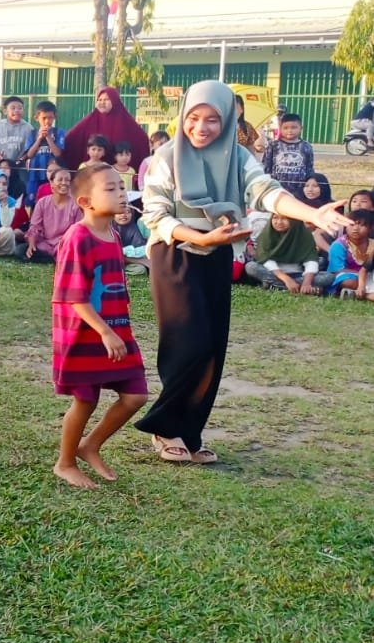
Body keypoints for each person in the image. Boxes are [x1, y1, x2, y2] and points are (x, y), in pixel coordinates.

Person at [135, 80, 350, 464]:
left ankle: (190, 432)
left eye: (213, 119)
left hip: (218, 255)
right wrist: (201, 237)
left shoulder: (237, 157)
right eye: (194, 117)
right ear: (183, 116)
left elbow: (267, 192)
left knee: (213, 349)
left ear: (228, 120)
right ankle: (165, 428)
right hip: (174, 255)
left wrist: (311, 213)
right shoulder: (165, 157)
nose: (201, 127)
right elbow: (155, 215)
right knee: (189, 344)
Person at [51, 162, 148, 489]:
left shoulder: (114, 235)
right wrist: (104, 331)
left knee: (135, 396)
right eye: (110, 189)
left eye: (121, 187)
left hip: (116, 330)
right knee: (86, 400)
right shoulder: (78, 238)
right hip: (84, 334)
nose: (121, 193)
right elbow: (73, 296)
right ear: (85, 202)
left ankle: (90, 446)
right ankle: (65, 463)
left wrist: (115, 329)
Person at [62, 88, 149, 171]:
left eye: (106, 99)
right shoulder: (91, 119)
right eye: (99, 100)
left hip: (120, 171)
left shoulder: (125, 121)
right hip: (94, 171)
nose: (102, 102)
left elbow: (142, 139)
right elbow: (71, 137)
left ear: (115, 101)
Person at [245, 213, 320, 293]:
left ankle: (276, 286)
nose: (279, 222)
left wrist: (307, 283)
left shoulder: (304, 234)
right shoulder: (267, 234)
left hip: (298, 274)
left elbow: (311, 260)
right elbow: (265, 259)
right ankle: (295, 287)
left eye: (284, 219)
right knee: (251, 267)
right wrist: (286, 279)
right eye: (275, 218)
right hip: (274, 273)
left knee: (327, 276)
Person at [22, 167, 83, 264]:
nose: (64, 183)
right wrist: (31, 244)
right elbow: (35, 226)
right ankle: (53, 258)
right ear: (51, 183)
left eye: (67, 180)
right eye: (60, 180)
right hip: (44, 244)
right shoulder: (42, 202)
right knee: (20, 250)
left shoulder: (75, 205)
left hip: (65, 245)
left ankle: (56, 257)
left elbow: (78, 232)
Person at [316, 210, 372, 298]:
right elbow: (338, 270)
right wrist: (362, 276)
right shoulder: (339, 245)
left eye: (361, 225)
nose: (355, 228)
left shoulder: (372, 245)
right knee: (349, 282)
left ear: (370, 228)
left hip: (368, 276)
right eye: (352, 225)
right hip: (345, 275)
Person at [259, 112, 315, 198]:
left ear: (301, 128)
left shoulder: (306, 146)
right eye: (285, 128)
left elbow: (309, 168)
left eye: (294, 127)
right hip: (276, 188)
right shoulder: (273, 145)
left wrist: (310, 182)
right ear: (280, 129)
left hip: (299, 190)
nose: (290, 130)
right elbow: (266, 166)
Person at [20, 100, 65, 200]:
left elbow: (58, 154)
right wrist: (39, 139)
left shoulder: (59, 132)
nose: (47, 121)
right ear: (36, 118)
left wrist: (48, 137)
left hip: (53, 175)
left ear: (54, 117)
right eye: (44, 118)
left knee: (51, 200)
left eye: (50, 118)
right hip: (34, 174)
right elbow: (29, 155)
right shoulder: (32, 133)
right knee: (32, 200)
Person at [0, 96, 30, 164]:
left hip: (20, 165)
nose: (17, 110)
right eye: (13, 108)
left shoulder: (28, 128)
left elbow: (31, 150)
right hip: (1, 164)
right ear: (5, 111)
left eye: (20, 108)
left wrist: (23, 159)